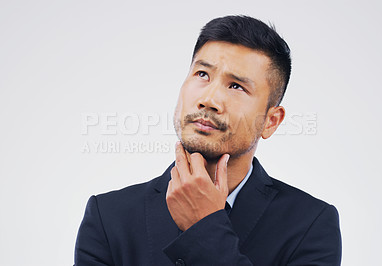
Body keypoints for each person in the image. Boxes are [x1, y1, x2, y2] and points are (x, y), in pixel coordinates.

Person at [74, 15, 342, 266]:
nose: (209, 100)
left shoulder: (310, 225)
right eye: (202, 74)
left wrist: (204, 227)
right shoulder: (108, 218)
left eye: (236, 86)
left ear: (270, 121)